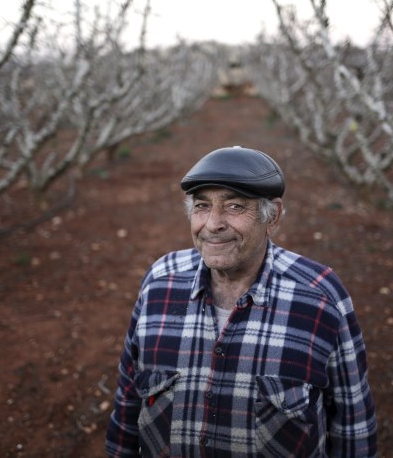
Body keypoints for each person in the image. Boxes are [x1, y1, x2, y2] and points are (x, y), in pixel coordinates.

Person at [105, 146, 377, 457]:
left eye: (234, 207)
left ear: (272, 217)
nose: (213, 224)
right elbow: (128, 403)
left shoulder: (320, 297)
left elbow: (353, 427)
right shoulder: (159, 283)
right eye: (202, 206)